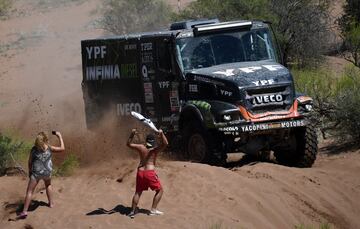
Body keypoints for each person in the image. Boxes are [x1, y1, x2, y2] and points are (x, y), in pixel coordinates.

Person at [18, 131, 65, 219]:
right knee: (48, 185)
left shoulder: (34, 149)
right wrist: (60, 136)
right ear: (46, 140)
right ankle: (51, 203)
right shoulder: (50, 148)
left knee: (30, 191)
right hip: (47, 172)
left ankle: (24, 211)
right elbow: (62, 148)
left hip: (36, 173)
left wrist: (30, 172)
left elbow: (30, 162)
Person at [126, 128, 168, 218]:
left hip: (140, 172)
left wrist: (132, 134)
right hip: (149, 172)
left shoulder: (141, 147)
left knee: (138, 192)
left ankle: (132, 211)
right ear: (153, 142)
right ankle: (153, 210)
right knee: (160, 191)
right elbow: (165, 143)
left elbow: (128, 144)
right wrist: (161, 134)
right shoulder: (155, 149)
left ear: (146, 141)